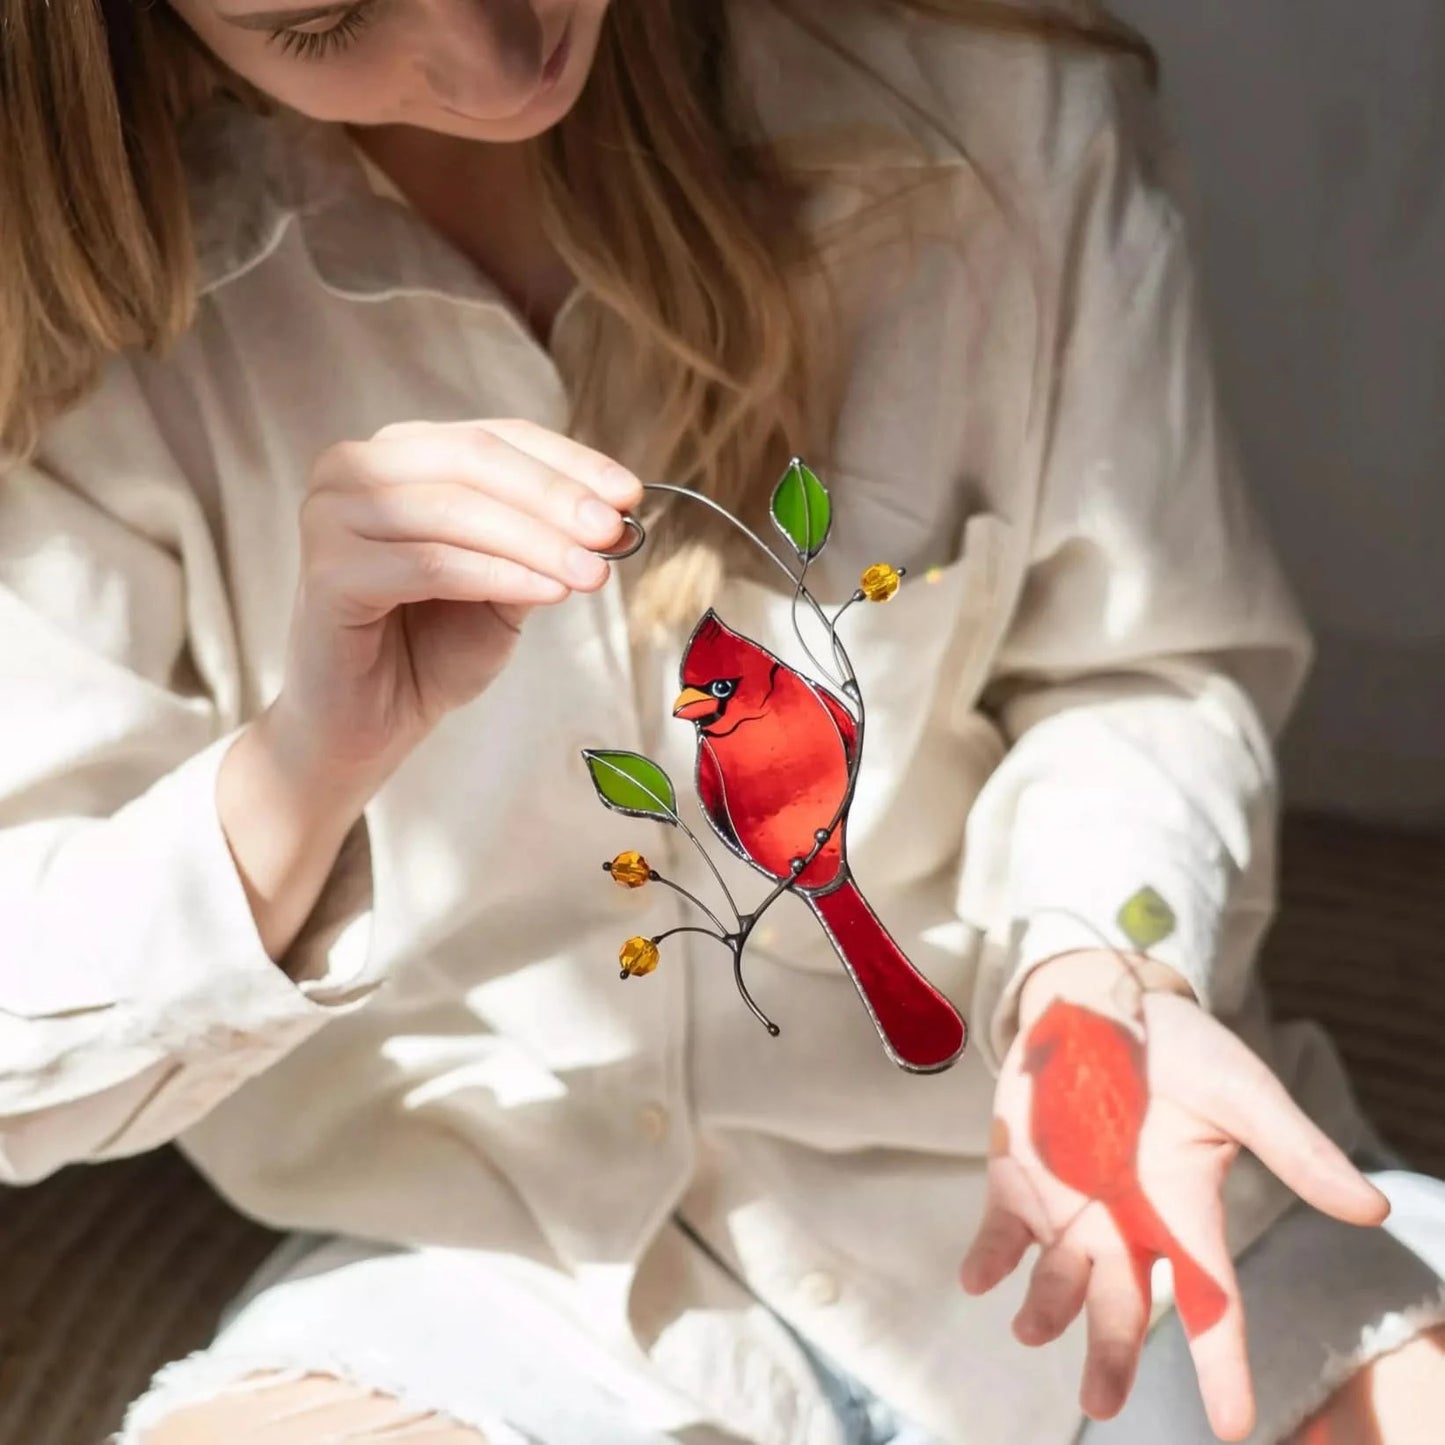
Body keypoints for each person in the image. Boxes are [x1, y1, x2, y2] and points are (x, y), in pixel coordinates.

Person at [0, 2, 1441, 1443]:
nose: (501, 58)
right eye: (323, 23)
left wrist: (1104, 970)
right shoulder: (91, 302)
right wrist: (304, 761)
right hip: (499, 1270)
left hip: (1085, 1178)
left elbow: (1141, 669)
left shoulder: (994, 115)